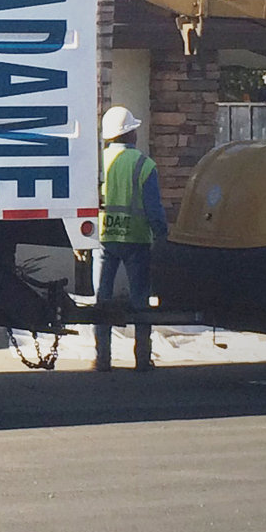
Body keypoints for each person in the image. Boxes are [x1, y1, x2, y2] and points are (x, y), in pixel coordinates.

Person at [93, 104, 166, 372]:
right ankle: (142, 358)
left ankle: (102, 359)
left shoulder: (99, 161)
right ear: (130, 134)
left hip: (104, 238)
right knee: (140, 302)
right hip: (136, 240)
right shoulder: (144, 165)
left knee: (102, 299)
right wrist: (162, 237)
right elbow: (154, 208)